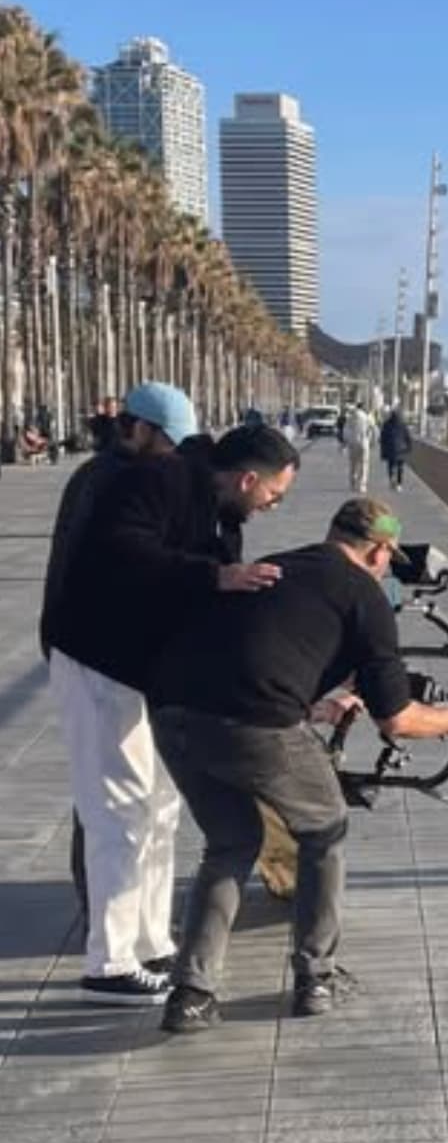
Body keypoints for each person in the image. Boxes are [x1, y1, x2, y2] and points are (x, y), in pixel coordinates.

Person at [149, 496, 448, 1034]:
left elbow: (258, 655)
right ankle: (316, 977)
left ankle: (191, 994)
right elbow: (398, 720)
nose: (386, 568)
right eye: (388, 558)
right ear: (379, 551)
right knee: (325, 830)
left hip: (173, 714)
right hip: (256, 725)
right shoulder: (365, 595)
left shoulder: (278, 565)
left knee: (232, 842)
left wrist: (312, 705)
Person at [43, 422, 301, 1005]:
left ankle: (150, 941)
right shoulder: (159, 482)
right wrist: (215, 576)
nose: (272, 506)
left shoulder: (221, 518)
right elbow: (120, 552)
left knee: (160, 807)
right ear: (247, 479)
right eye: (274, 494)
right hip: (97, 660)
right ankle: (109, 963)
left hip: (150, 675)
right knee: (118, 808)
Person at [40, 382, 195, 912]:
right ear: (139, 428)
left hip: (107, 652)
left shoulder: (114, 474)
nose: (174, 454)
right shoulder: (110, 480)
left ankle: (120, 916)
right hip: (93, 653)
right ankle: (102, 915)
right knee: (110, 797)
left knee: (126, 793)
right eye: (169, 441)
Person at [379, 407, 412, 492]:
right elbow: (408, 437)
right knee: (400, 467)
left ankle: (391, 481)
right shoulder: (403, 425)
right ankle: (399, 484)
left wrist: (383, 451)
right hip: (401, 449)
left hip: (390, 449)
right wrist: (409, 447)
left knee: (390, 466)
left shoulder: (386, 424)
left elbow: (382, 438)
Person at [343, 402, 374, 492]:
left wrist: (346, 441)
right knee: (364, 464)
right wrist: (371, 441)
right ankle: (362, 485)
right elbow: (372, 429)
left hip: (353, 443)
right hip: (364, 443)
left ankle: (353, 483)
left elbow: (346, 430)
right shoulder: (368, 417)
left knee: (353, 464)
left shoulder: (350, 417)